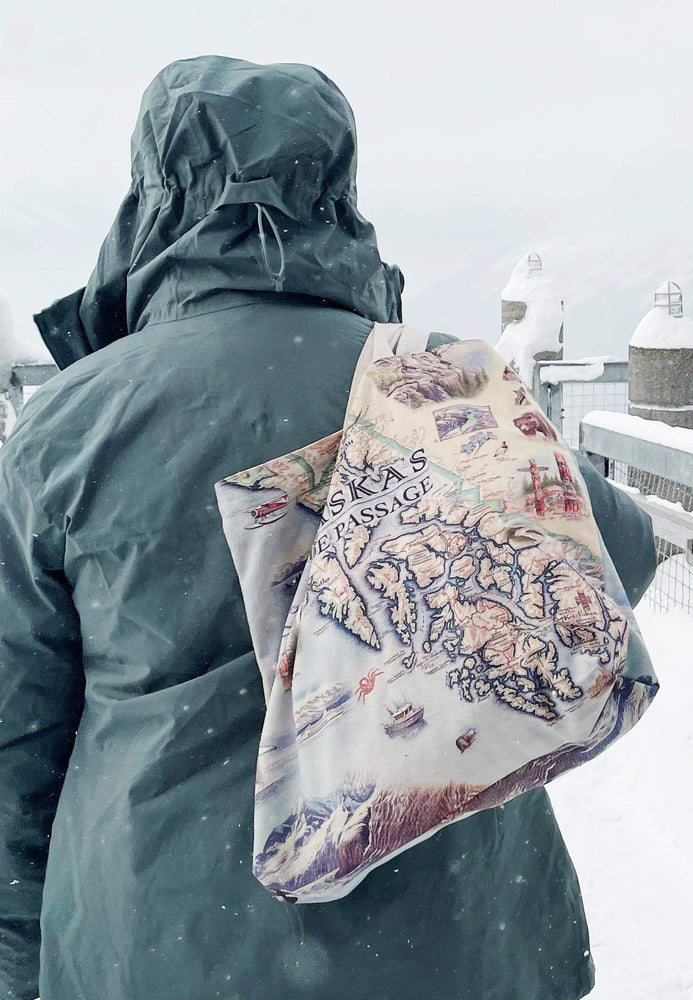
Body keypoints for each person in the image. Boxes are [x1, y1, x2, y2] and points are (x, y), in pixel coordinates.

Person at [0, 56, 656, 1000]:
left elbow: (16, 750)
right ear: (338, 197)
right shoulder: (430, 386)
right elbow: (620, 552)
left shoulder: (68, 428)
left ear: (154, 201)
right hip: (451, 938)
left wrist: (24, 969)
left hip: (158, 943)